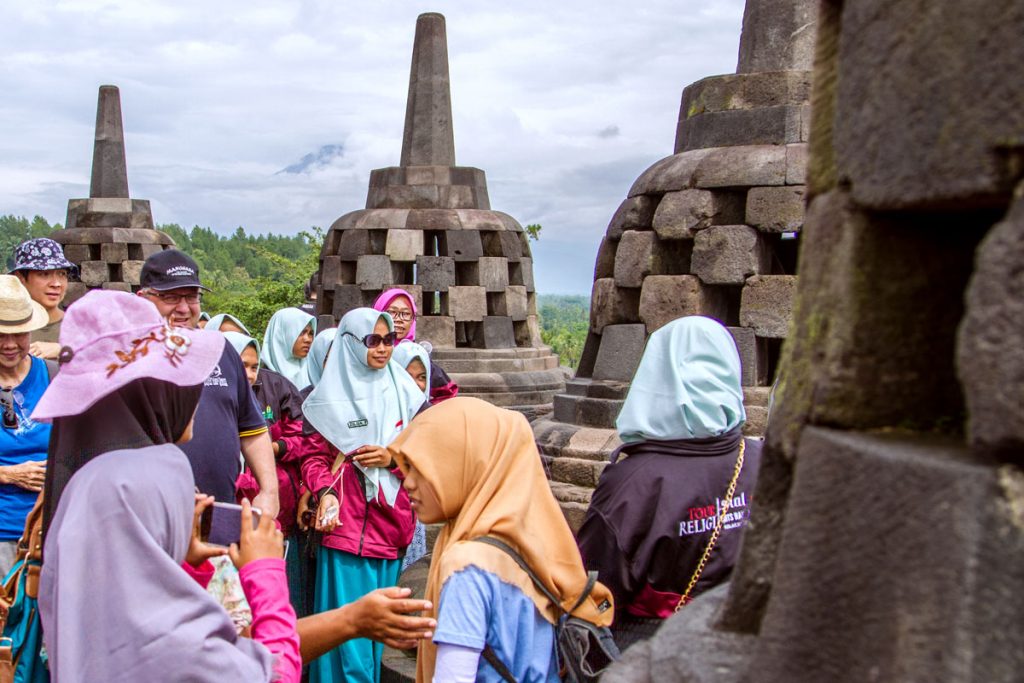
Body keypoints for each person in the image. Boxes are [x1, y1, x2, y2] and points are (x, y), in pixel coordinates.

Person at [33, 288, 303, 682]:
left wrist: (185, 567)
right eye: (183, 384)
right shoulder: (157, 472)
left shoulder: (84, 485)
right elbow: (270, 674)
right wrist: (265, 572)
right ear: (157, 393)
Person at [386, 397, 615, 683]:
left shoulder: (466, 566)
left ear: (465, 466)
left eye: (421, 467)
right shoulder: (536, 542)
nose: (407, 482)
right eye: (405, 468)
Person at [576, 316, 763, 651]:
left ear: (656, 376)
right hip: (752, 644)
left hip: (653, 646)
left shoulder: (632, 482)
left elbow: (598, 590)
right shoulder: (764, 459)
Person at [301, 308, 425, 683]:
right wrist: (324, 489)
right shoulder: (328, 398)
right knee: (344, 636)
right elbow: (312, 456)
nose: (383, 348)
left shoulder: (407, 395)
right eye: (373, 340)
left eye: (389, 340)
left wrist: (392, 459)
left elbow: (428, 458)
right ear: (351, 344)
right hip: (345, 528)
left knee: (375, 635)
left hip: (390, 526)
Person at [132, 249, 279, 519]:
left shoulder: (220, 350)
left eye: (191, 297)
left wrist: (269, 491)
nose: (184, 308)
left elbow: (253, 428)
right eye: (170, 297)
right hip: (148, 514)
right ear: (142, 299)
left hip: (218, 511)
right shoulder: (128, 357)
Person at [223, 330, 313, 618]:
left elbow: (302, 436)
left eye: (253, 366)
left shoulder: (276, 387)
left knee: (275, 590)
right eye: (241, 366)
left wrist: (273, 448)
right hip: (230, 509)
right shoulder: (211, 397)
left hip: (276, 510)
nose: (248, 375)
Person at [0, 275, 51, 575]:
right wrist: (8, 473)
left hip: (50, 528)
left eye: (18, 334)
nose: (9, 344)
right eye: (1, 334)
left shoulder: (53, 376)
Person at [372, 288, 458, 403]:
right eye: (392, 312)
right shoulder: (367, 352)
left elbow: (448, 393)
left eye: (406, 314)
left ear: (413, 320)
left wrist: (425, 413)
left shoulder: (417, 355)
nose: (399, 319)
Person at [391, 341, 432, 572]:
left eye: (422, 377)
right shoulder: (382, 415)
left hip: (416, 509)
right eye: (408, 375)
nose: (416, 384)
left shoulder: (430, 416)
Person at [10, 237, 78, 361]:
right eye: (44, 274)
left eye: (62, 274)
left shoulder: (81, 326)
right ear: (21, 278)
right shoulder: (7, 328)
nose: (56, 284)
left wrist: (62, 349)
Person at [261, 308, 316, 390]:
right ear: (281, 335)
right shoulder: (260, 380)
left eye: (311, 333)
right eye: (301, 332)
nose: (308, 339)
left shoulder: (313, 375)